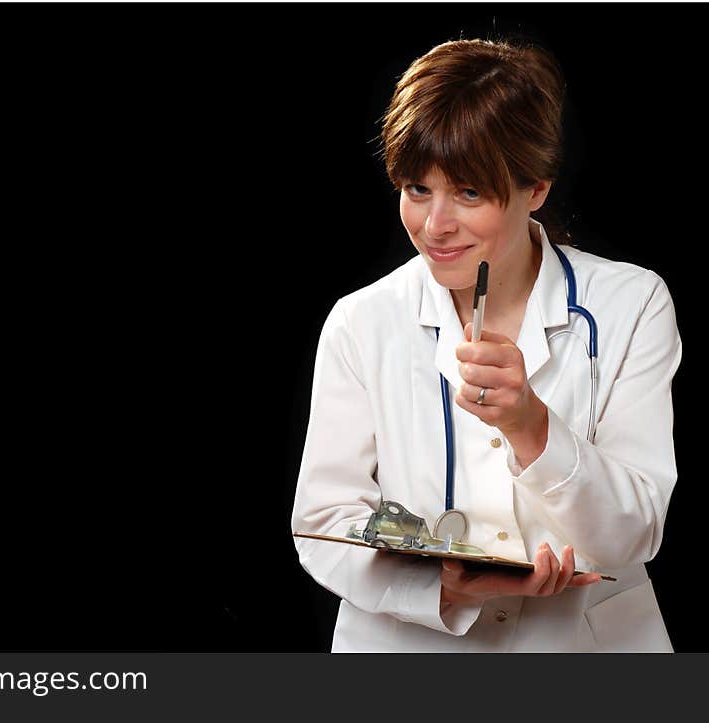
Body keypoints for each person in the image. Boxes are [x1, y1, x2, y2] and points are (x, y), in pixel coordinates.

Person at [290, 38, 682, 652]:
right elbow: (322, 523)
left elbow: (635, 533)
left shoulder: (631, 304)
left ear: (537, 188)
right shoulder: (361, 322)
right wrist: (445, 590)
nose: (435, 225)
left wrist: (531, 424)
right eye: (418, 189)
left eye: (469, 193)